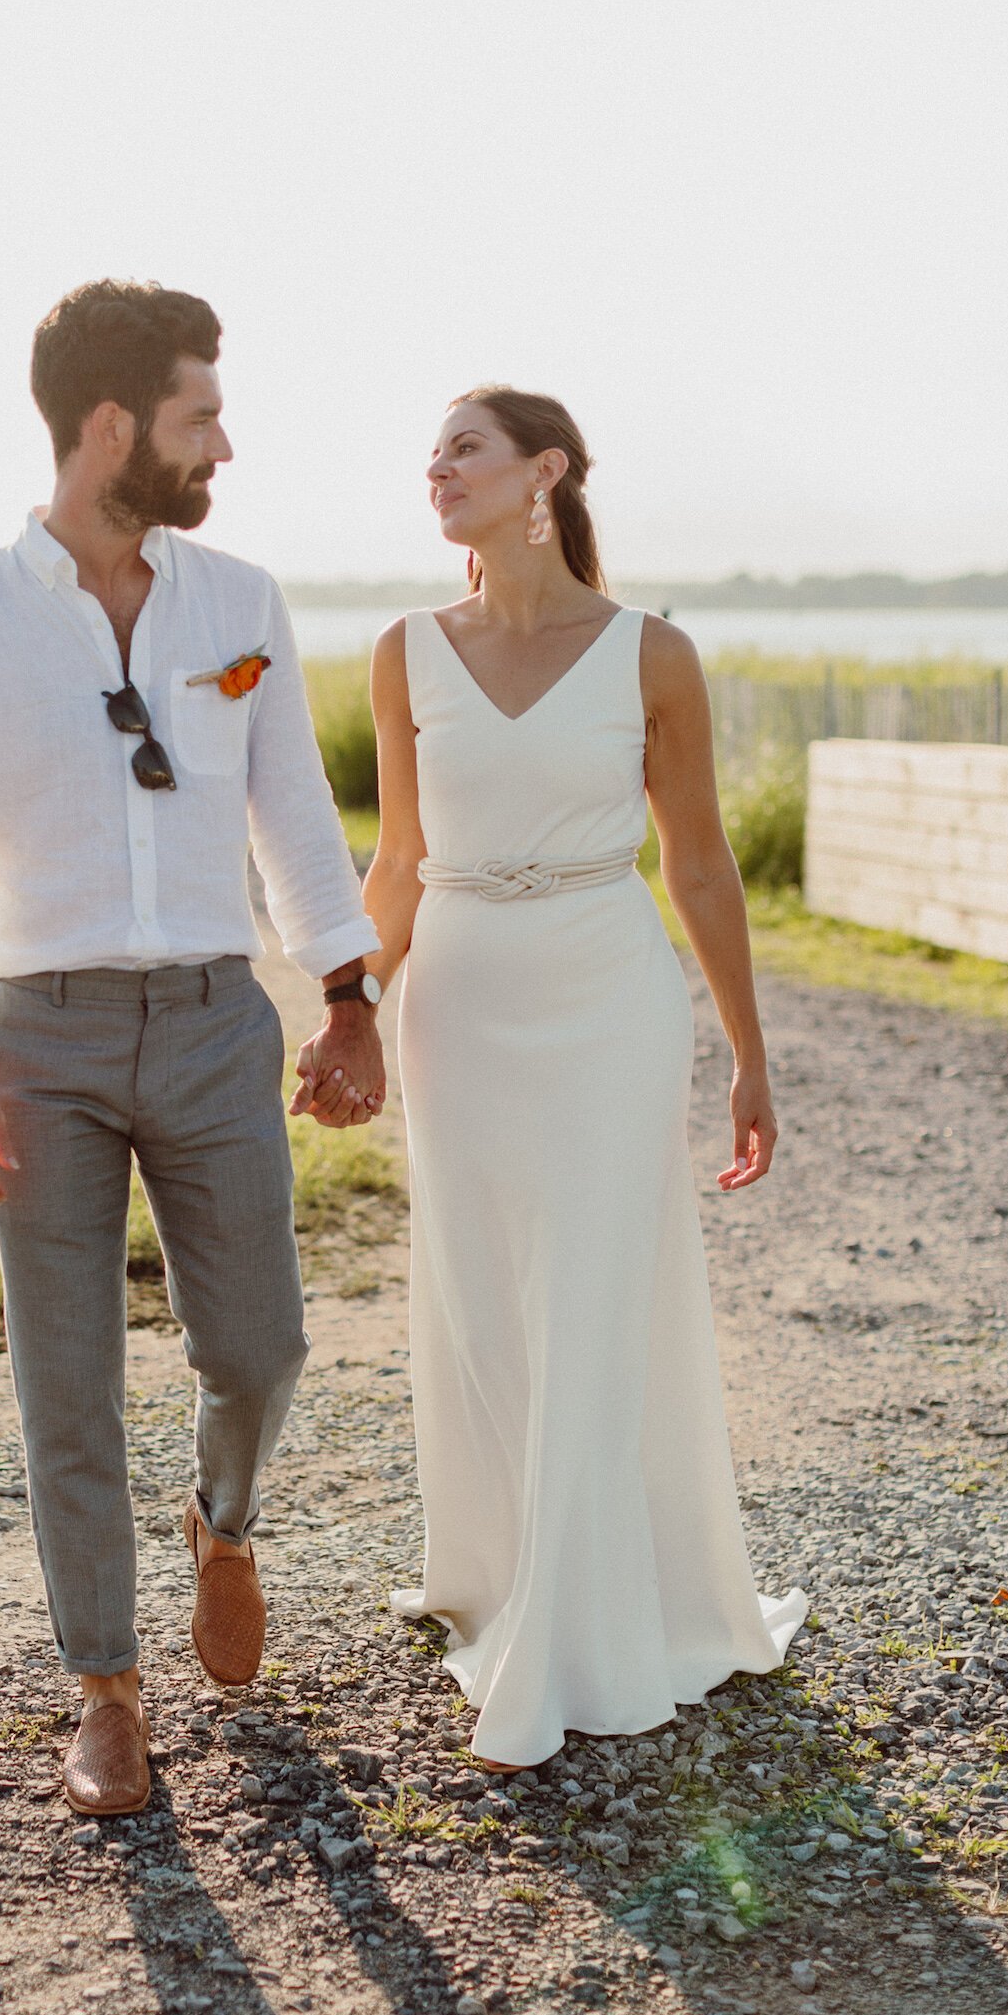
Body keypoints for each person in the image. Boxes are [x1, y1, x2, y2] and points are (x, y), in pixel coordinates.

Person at [0, 280, 384, 1817]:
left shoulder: (241, 603)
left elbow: (292, 807)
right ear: (114, 427)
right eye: (198, 416)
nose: (222, 444)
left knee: (264, 1345)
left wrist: (346, 994)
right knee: (69, 1384)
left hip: (216, 1017)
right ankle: (105, 1691)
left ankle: (221, 1520)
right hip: (42, 1034)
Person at [364, 386, 805, 1769]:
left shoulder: (650, 654)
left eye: (466, 446)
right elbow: (393, 861)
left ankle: (564, 1641)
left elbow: (697, 862)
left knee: (596, 1294)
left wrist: (747, 1047)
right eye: (431, 451)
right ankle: (502, 1576)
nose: (436, 466)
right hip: (461, 997)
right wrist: (340, 1011)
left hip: (608, 992)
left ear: (544, 471)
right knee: (489, 1301)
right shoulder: (403, 652)